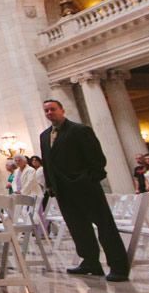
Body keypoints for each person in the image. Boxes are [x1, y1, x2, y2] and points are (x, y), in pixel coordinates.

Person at [39, 99, 129, 281]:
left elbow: (97, 161)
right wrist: (50, 184)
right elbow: (47, 163)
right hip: (63, 191)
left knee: (104, 226)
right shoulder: (44, 135)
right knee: (78, 228)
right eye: (47, 110)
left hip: (86, 188)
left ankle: (118, 266)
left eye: (53, 109)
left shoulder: (80, 130)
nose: (50, 113)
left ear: (62, 110)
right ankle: (90, 262)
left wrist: (86, 181)